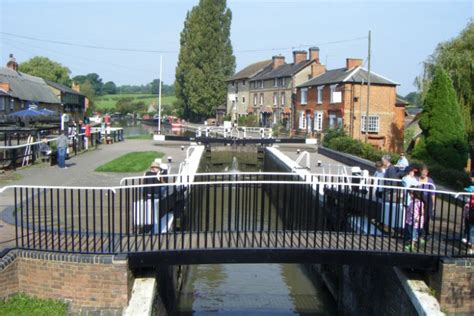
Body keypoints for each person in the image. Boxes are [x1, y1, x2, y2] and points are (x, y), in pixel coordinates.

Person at [417, 165, 435, 238]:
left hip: (427, 199)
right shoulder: (416, 179)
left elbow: (433, 193)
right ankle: (418, 231)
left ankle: (426, 232)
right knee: (418, 215)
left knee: (426, 216)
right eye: (423, 172)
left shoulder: (430, 181)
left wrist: (433, 204)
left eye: (426, 172)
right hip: (418, 198)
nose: (424, 173)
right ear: (420, 171)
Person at [404, 187, 425, 251]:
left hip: (416, 220)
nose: (410, 195)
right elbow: (409, 210)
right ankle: (414, 241)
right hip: (410, 219)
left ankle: (412, 245)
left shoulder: (419, 202)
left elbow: (421, 212)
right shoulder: (411, 202)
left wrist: (417, 218)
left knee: (414, 232)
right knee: (410, 231)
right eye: (410, 194)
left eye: (411, 194)